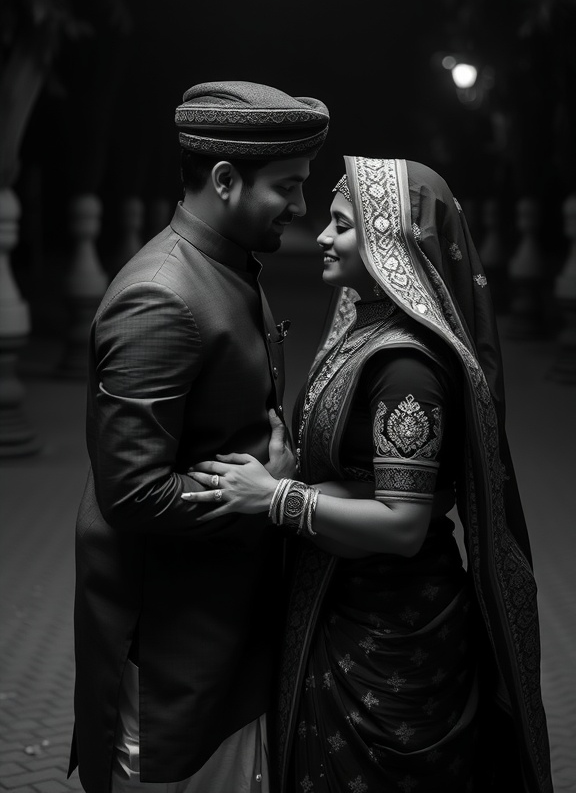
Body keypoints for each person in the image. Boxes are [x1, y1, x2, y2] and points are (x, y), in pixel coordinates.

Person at [184, 156, 553, 793]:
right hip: (346, 608)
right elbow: (366, 475)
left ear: (393, 241)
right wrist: (293, 468)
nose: (322, 237)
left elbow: (404, 523)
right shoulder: (369, 330)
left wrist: (277, 498)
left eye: (342, 225)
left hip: (393, 638)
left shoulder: (406, 366)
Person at [67, 80, 330, 793]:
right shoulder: (162, 295)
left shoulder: (225, 266)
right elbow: (133, 492)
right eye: (288, 187)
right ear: (223, 180)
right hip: (175, 660)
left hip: (221, 640)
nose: (302, 208)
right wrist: (264, 497)